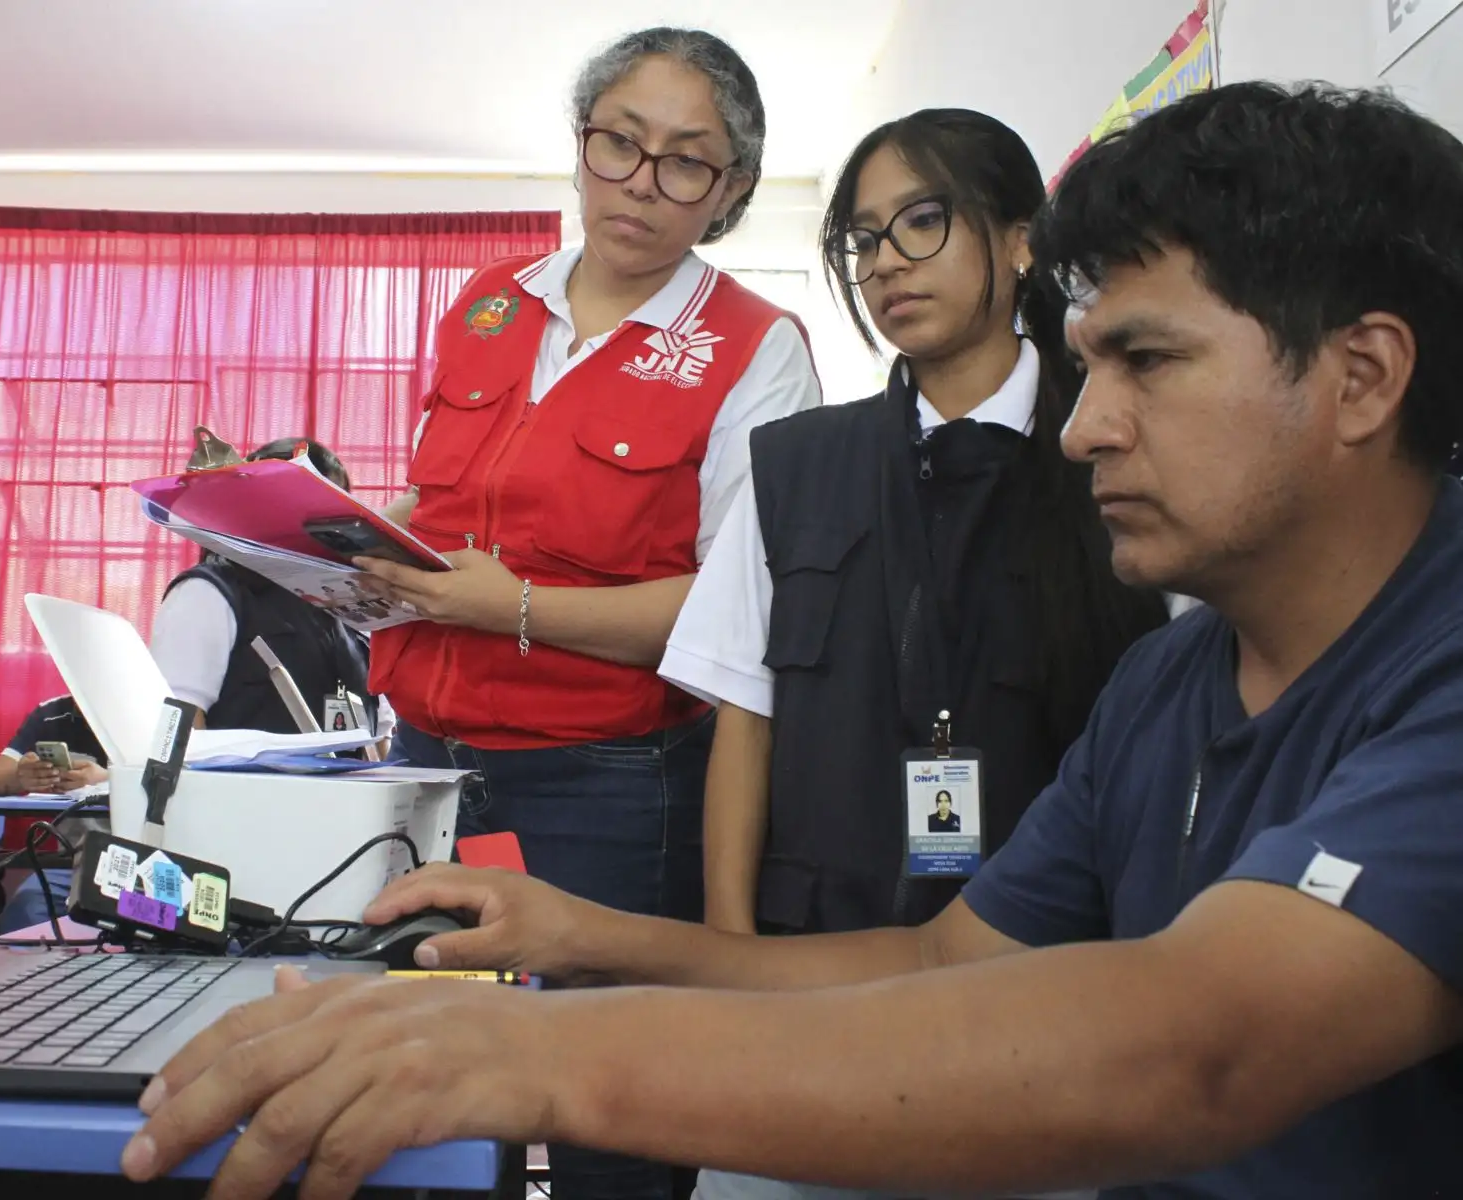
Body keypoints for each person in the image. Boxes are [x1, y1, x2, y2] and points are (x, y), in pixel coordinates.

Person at [119, 84, 1463, 1200]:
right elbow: (941, 962)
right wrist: (585, 938)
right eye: (1089, 364)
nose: (1082, 427)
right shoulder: (1170, 680)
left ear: (1362, 377)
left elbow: (1200, 1048)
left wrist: (536, 1055)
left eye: (1148, 365)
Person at [351, 30, 820, 1200]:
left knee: (612, 1108)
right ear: (580, 145)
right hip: (427, 771)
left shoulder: (757, 351)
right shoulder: (488, 302)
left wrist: (506, 606)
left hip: (607, 786)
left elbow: (734, 612)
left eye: (685, 163)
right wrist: (372, 545)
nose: (640, 184)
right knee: (433, 1089)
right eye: (620, 143)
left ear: (731, 193)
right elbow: (451, 495)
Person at [660, 109, 1165, 942]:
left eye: (924, 221)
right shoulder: (798, 464)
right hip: (820, 942)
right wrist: (730, 947)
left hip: (1048, 948)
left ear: (1019, 241)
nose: (887, 259)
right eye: (864, 240)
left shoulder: (1108, 453)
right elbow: (745, 720)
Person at [150, 437, 382, 738]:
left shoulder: (353, 605)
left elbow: (379, 741)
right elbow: (178, 728)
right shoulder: (207, 594)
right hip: (242, 785)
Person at [0, 694, 111, 932]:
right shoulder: (51, 713)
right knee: (25, 911)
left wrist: (107, 781)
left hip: (143, 857)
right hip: (73, 861)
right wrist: (21, 777)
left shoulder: (151, 709)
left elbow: (188, 780)